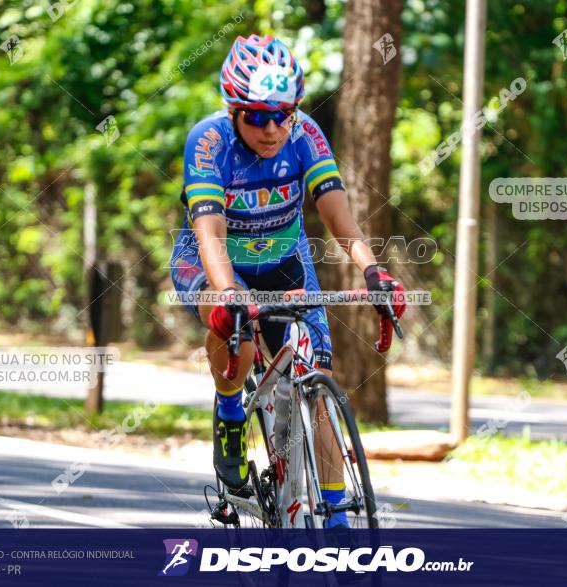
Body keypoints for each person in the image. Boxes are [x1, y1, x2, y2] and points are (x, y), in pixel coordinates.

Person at [170, 34, 405, 528]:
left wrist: (372, 271)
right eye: (257, 116)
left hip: (284, 258)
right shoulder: (209, 142)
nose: (273, 128)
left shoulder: (305, 135)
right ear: (234, 110)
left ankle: (339, 520)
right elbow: (210, 234)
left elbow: (340, 217)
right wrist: (230, 296)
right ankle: (231, 412)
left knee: (314, 379)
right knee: (238, 334)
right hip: (215, 259)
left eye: (283, 114)